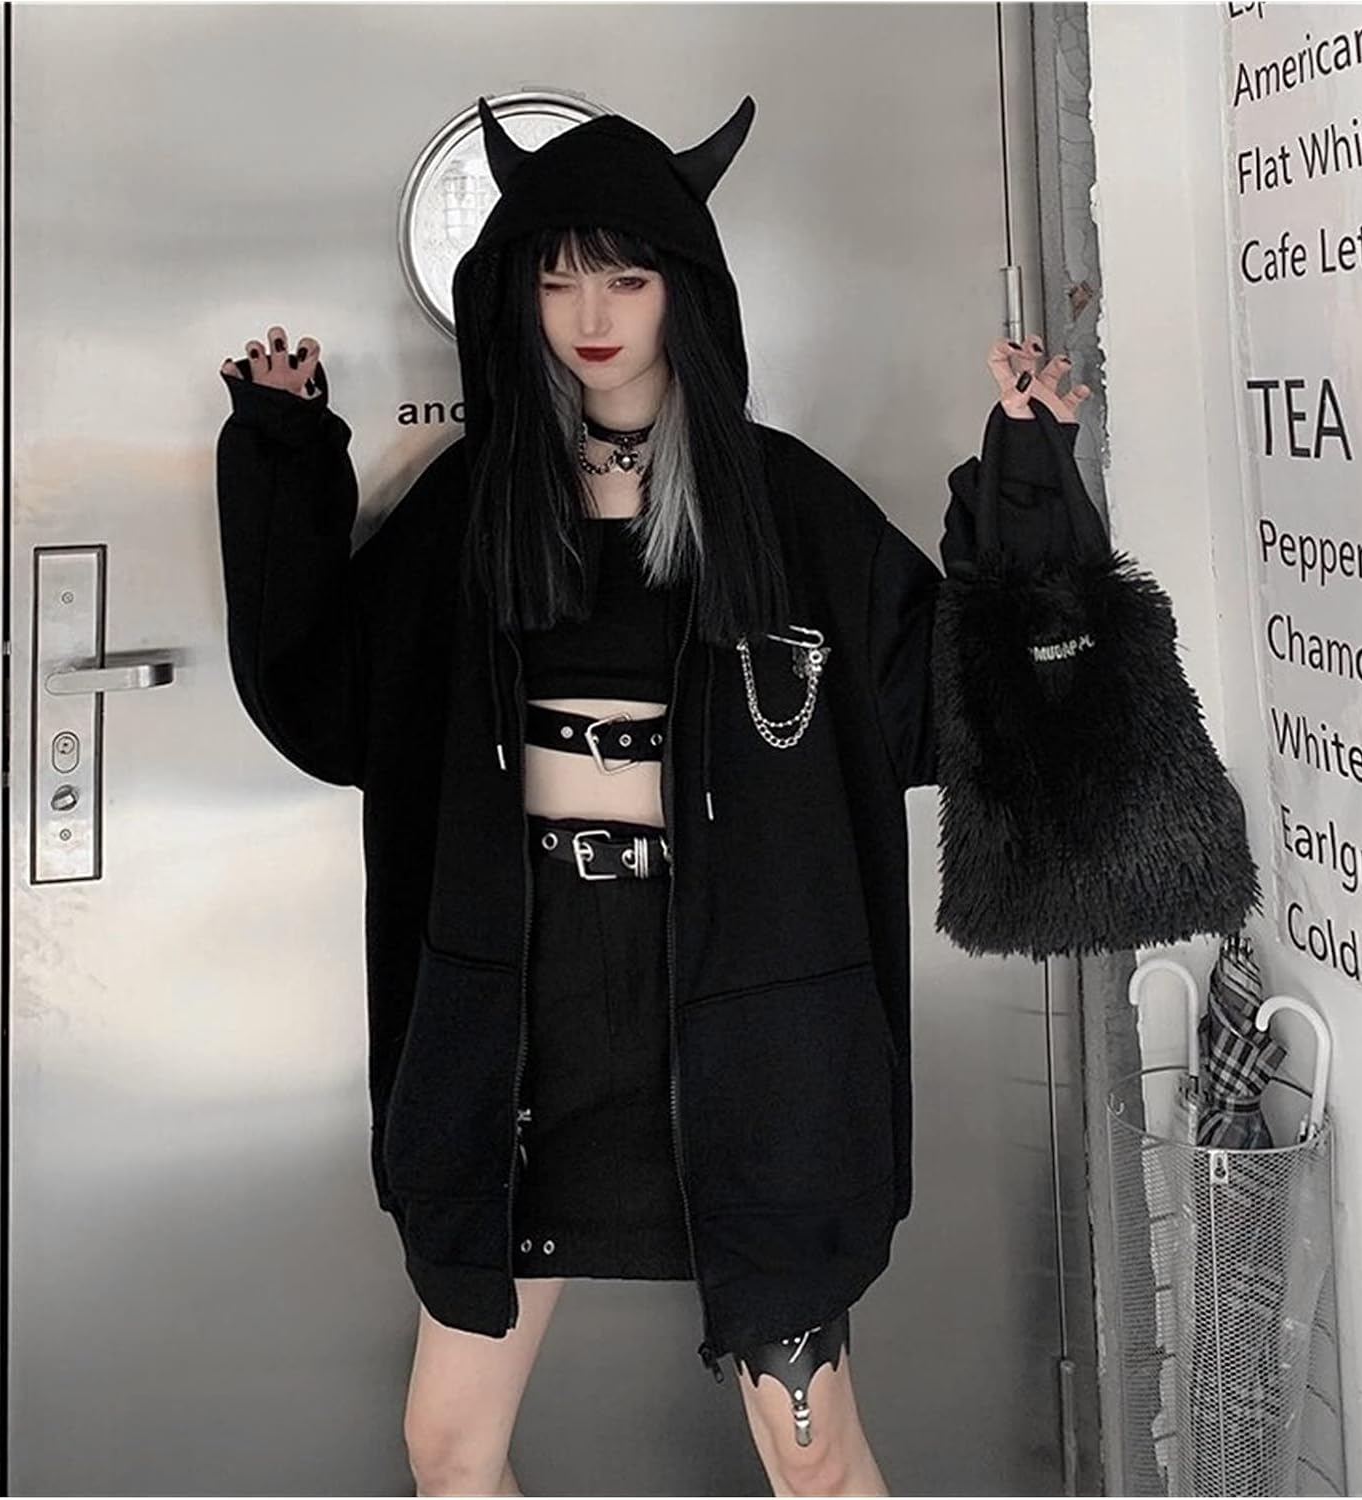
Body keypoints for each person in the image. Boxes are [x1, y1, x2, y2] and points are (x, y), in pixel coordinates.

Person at [215, 96, 1094, 1497]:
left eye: (625, 278)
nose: (590, 316)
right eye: (558, 279)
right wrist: (281, 451)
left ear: (683, 288)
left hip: (750, 1020)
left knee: (813, 1457)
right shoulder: (476, 509)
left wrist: (1029, 479)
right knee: (447, 1445)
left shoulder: (784, 511)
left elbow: (966, 700)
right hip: (521, 1021)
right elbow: (330, 699)